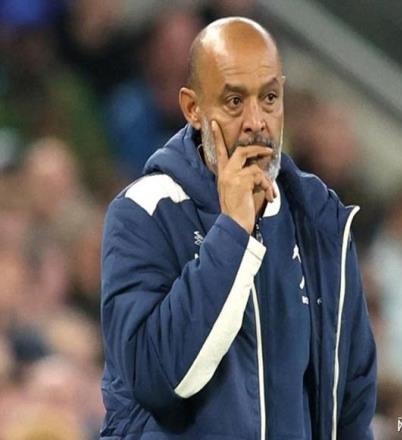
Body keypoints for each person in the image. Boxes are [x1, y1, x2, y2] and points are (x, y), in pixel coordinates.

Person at [100, 17, 376, 439]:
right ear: (193, 108)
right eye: (234, 101)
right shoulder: (145, 211)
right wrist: (232, 230)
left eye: (269, 98)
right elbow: (157, 377)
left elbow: (352, 404)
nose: (256, 121)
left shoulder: (322, 221)